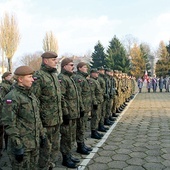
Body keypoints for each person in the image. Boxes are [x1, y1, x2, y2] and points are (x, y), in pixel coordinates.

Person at [1, 66, 45, 169]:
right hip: (22, 146)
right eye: (29, 77)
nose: (33, 79)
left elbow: (36, 117)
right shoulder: (12, 97)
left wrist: (42, 134)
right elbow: (9, 123)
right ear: (20, 79)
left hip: (34, 144)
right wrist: (18, 145)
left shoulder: (31, 95)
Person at [32, 51, 62, 169]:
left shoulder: (53, 76)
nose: (56, 62)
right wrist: (39, 122)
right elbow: (35, 100)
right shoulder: (39, 76)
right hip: (46, 121)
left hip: (56, 118)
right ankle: (43, 167)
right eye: (53, 60)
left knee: (55, 146)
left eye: (56, 59)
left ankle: (50, 164)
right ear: (45, 61)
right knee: (45, 148)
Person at [58, 58, 80, 168]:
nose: (73, 67)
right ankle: (65, 158)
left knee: (71, 136)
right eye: (71, 65)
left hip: (73, 113)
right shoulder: (62, 78)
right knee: (66, 137)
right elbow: (61, 97)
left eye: (73, 65)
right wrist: (65, 113)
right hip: (68, 114)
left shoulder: (69, 78)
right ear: (64, 66)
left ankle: (69, 154)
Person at [73, 62, 92, 155]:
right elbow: (78, 95)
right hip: (82, 108)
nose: (86, 69)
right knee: (80, 127)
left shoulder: (84, 78)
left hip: (85, 107)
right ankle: (80, 146)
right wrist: (81, 107)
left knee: (83, 126)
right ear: (79, 68)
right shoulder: (78, 78)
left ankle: (82, 144)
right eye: (84, 67)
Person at [0, 72, 13, 156]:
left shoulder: (11, 85)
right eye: (8, 76)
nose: (10, 77)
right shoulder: (2, 86)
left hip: (10, 109)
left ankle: (8, 146)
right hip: (5, 110)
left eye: (10, 76)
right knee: (3, 130)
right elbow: (2, 99)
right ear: (4, 77)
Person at [89, 68, 104, 139]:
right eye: (95, 73)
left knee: (98, 116)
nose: (97, 74)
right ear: (92, 73)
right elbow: (92, 93)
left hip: (99, 101)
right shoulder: (91, 81)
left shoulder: (96, 80)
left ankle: (95, 130)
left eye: (97, 73)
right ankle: (93, 131)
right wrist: (94, 102)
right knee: (95, 117)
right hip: (96, 102)